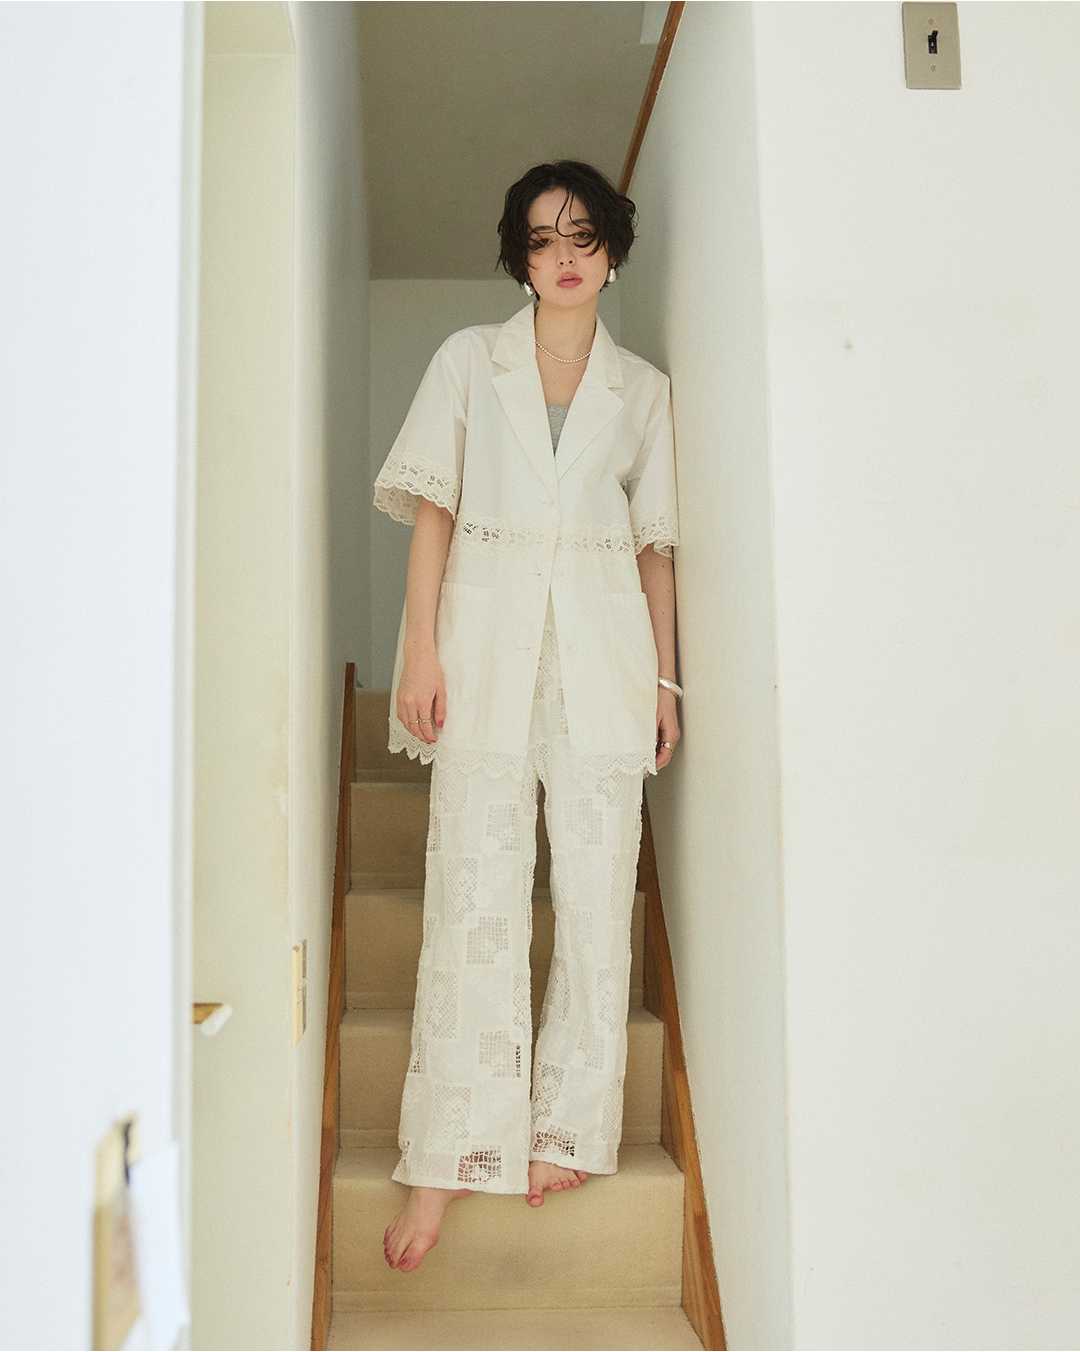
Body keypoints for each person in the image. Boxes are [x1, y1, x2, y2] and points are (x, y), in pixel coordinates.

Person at [374, 160, 682, 1273]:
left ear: (611, 252)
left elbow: (653, 548)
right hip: (485, 655)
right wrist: (420, 648)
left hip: (604, 661)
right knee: (474, 892)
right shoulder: (471, 360)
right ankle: (448, 1151)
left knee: (597, 899)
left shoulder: (642, 391)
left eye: (583, 235)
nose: (564, 255)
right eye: (544, 238)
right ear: (519, 255)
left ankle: (567, 1128)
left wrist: (666, 683)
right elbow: (433, 512)